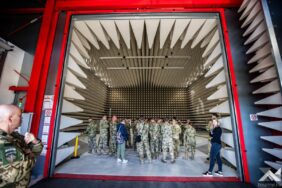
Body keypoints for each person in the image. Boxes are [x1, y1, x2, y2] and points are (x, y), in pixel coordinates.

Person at [0, 104, 43, 187]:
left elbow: (37, 150)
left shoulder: (14, 136)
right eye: (20, 116)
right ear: (10, 119)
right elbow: (15, 174)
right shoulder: (3, 143)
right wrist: (31, 155)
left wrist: (34, 141)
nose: (22, 118)